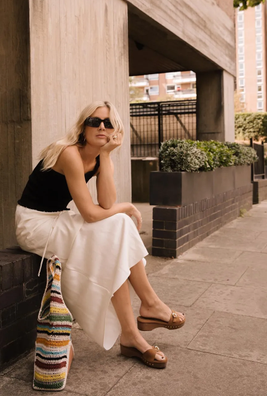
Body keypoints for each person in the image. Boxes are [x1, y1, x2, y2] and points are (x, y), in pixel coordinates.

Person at [15, 100, 185, 370]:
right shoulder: (69, 152)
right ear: (83, 127)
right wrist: (128, 207)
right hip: (35, 223)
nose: (102, 127)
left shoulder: (98, 158)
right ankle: (148, 307)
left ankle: (133, 334)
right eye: (95, 121)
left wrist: (105, 157)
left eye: (109, 123)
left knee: (116, 235)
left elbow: (105, 203)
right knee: (119, 224)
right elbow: (92, 213)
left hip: (58, 219)